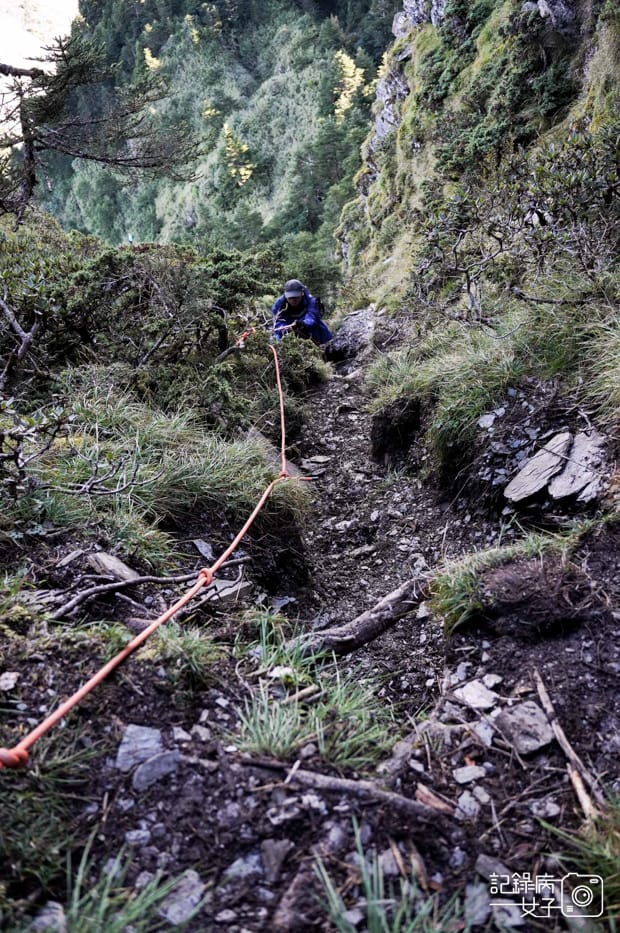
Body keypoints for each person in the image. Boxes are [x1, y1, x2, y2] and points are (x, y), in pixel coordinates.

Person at [271, 279, 333, 347]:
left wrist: (302, 323)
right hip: (289, 330)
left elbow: (312, 318)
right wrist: (285, 328)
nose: (293, 300)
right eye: (290, 297)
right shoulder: (279, 305)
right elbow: (277, 322)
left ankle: (327, 346)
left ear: (302, 293)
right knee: (275, 338)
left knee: (320, 327)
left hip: (308, 329)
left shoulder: (311, 301)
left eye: (296, 297)